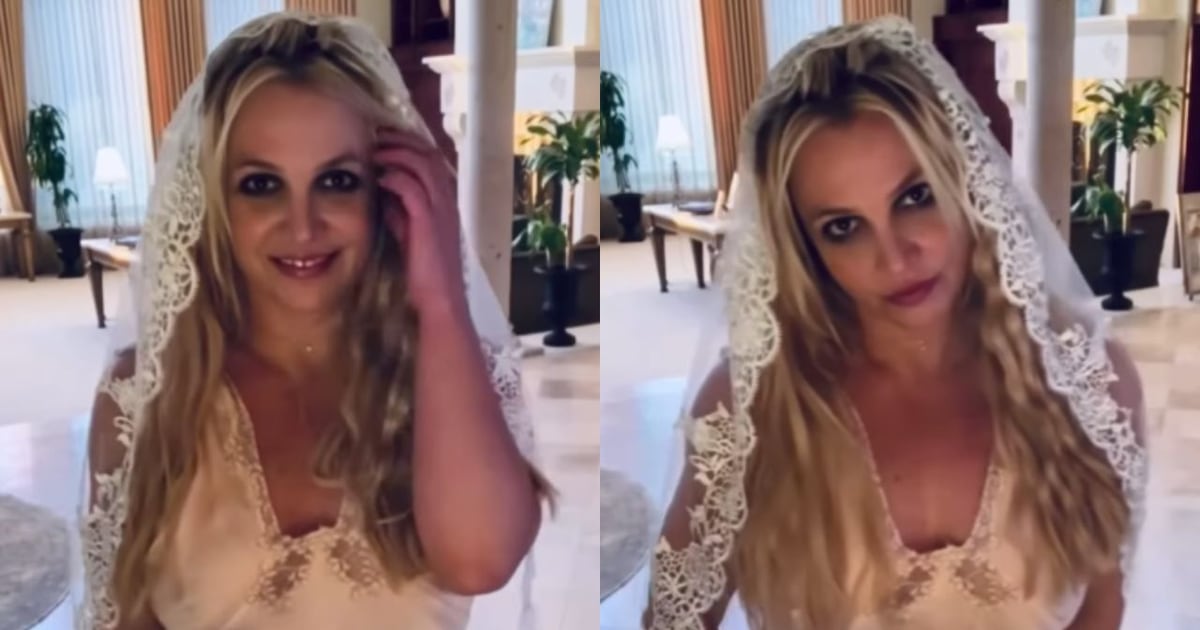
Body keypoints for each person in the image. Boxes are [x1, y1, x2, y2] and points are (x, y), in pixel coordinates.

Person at [644, 18, 1157, 630]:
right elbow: (673, 620)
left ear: (967, 181)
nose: (894, 257)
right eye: (843, 227)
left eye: (915, 197)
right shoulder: (753, 409)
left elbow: (1101, 610)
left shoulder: (1089, 384)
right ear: (805, 248)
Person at [78, 13, 551, 630]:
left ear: (385, 192)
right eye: (260, 184)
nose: (302, 226)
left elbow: (481, 560)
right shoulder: (146, 395)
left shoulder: (442, 370)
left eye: (336, 180)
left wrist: (440, 301)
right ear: (213, 201)